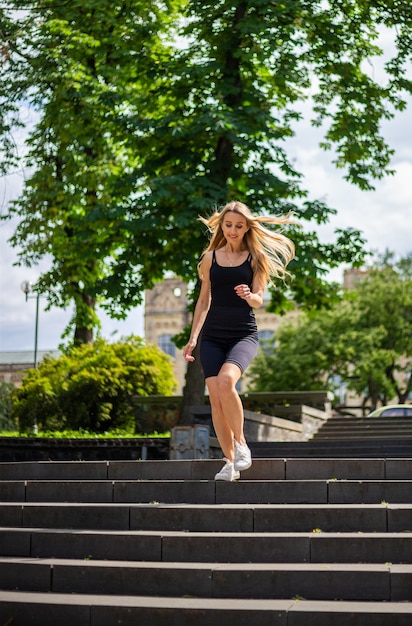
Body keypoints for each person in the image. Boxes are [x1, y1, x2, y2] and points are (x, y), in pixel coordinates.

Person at [183, 200, 296, 481]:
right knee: (216, 402)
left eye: (239, 226)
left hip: (243, 334)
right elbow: (203, 300)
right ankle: (229, 463)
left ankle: (242, 444)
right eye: (228, 224)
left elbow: (259, 299)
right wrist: (193, 338)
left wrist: (249, 296)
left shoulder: (255, 259)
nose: (233, 230)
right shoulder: (210, 259)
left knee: (226, 383)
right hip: (211, 336)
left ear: (247, 228)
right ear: (221, 225)